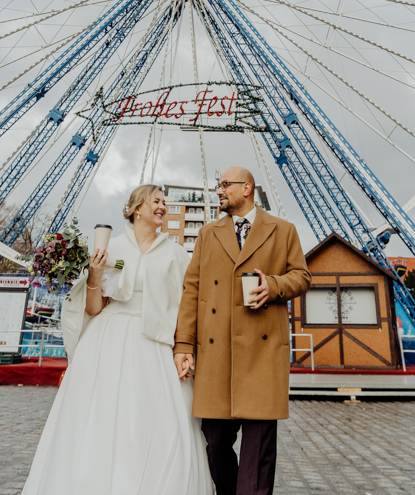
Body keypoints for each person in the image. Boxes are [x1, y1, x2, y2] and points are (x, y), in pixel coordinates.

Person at [22, 184, 212, 495]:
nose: (163, 207)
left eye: (165, 202)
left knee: (160, 421)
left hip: (157, 342)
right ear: (138, 208)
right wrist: (94, 276)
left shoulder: (177, 254)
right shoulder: (113, 248)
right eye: (157, 201)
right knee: (103, 417)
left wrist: (185, 347)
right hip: (110, 338)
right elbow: (94, 308)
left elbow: (187, 306)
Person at [174, 166, 311, 495]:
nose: (219, 191)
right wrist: (183, 344)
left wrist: (273, 285)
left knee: (259, 448)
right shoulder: (208, 233)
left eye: (225, 185)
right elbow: (192, 289)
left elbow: (302, 276)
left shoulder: (283, 230)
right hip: (216, 349)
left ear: (247, 187)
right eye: (218, 185)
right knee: (214, 443)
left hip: (262, 351)